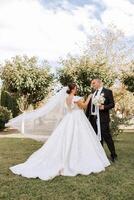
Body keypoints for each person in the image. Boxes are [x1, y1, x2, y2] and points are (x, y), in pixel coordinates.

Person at [7, 83, 110, 181]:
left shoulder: (66, 99)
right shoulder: (76, 98)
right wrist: (89, 98)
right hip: (77, 119)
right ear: (73, 89)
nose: (77, 89)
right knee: (79, 138)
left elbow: (69, 109)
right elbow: (84, 106)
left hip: (69, 118)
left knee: (67, 138)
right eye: (76, 88)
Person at [86, 79, 117, 162]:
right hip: (93, 118)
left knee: (107, 136)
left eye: (94, 83)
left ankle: (113, 155)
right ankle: (101, 155)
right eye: (92, 83)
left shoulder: (107, 91)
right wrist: (86, 117)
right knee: (96, 137)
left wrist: (104, 107)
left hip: (103, 118)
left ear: (99, 83)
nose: (92, 84)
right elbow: (89, 107)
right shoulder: (93, 94)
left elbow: (112, 104)